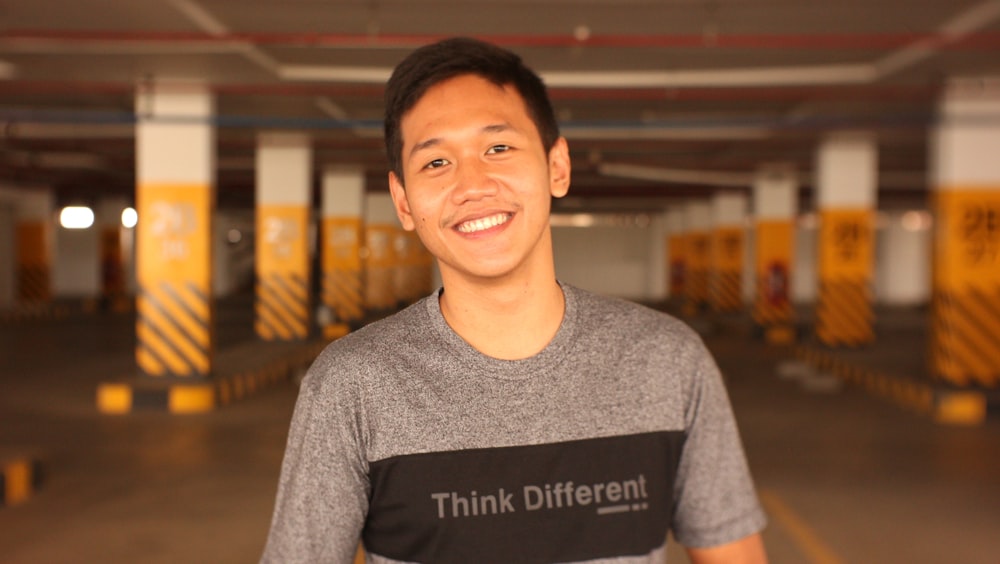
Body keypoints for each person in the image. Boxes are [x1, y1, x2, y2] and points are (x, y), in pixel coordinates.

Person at [261, 37, 768, 564]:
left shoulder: (667, 360)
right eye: (436, 162)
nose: (472, 184)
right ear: (404, 201)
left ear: (558, 166)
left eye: (498, 148)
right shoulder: (353, 386)